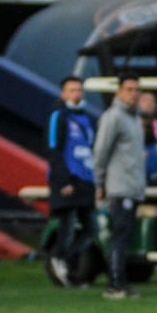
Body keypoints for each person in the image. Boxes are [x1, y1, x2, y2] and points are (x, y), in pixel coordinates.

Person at [92, 73, 146, 300]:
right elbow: (101, 151)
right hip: (119, 187)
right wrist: (100, 182)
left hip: (133, 187)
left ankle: (121, 282)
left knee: (124, 237)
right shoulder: (113, 117)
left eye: (136, 89)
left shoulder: (134, 118)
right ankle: (114, 285)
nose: (133, 94)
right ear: (119, 92)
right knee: (119, 236)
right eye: (129, 89)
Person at [45, 76, 97, 287]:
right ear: (63, 93)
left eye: (79, 89)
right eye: (72, 90)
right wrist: (63, 180)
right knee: (66, 228)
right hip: (68, 181)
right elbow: (53, 148)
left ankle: (67, 261)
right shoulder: (59, 116)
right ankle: (59, 260)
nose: (76, 93)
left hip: (85, 179)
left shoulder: (85, 118)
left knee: (91, 228)